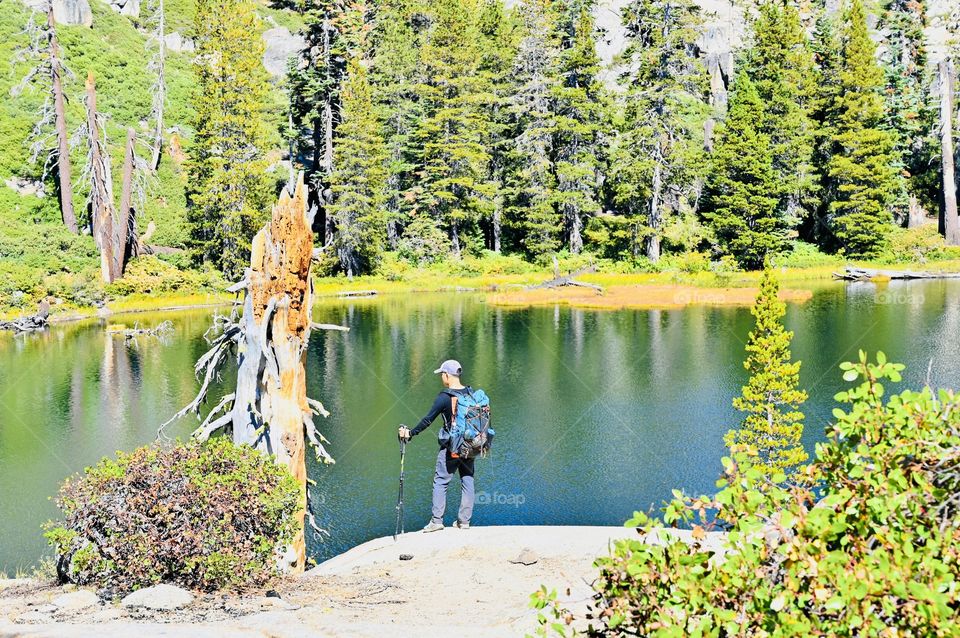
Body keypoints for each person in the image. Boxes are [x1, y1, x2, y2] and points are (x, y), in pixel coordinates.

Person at [398, 359, 475, 532]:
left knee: (440, 481)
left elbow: (428, 420)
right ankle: (464, 521)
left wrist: (411, 433)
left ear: (447, 375)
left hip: (451, 448)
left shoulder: (445, 397)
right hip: (470, 446)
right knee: (467, 479)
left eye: (442, 374)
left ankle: (437, 521)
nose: (441, 377)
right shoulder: (470, 393)